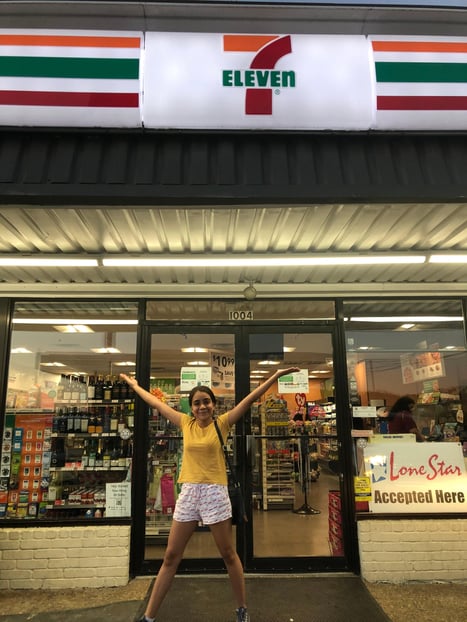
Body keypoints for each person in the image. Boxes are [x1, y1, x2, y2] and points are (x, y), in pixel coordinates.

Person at [120, 366, 300, 622]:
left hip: (215, 492)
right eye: (196, 403)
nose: (201, 407)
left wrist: (275, 376)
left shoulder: (223, 423)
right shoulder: (185, 423)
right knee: (171, 555)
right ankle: (149, 617)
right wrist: (135, 386)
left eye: (206, 402)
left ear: (214, 405)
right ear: (190, 407)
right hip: (190, 492)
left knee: (227, 553)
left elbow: (249, 398)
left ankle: (242, 610)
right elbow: (157, 404)